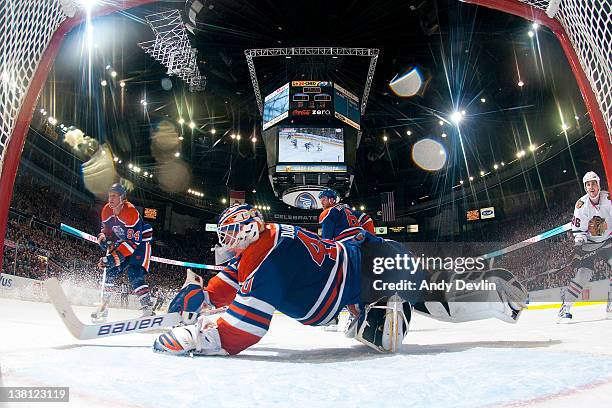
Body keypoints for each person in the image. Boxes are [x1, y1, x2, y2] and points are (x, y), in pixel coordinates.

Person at [152, 203, 527, 356]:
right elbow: (229, 282)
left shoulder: (265, 258)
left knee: (386, 328)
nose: (228, 243)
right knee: (427, 298)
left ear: (249, 229)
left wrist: (195, 335)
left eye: (232, 234)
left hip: (370, 271)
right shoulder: (267, 242)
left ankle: (380, 318)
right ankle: (492, 295)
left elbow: (242, 330)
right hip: (371, 266)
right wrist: (202, 295)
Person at [91, 183, 154, 322]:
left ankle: (148, 308)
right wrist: (103, 239)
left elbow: (133, 243)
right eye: (109, 196)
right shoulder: (106, 210)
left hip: (140, 244)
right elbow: (106, 231)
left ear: (122, 198)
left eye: (114, 196)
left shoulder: (130, 212)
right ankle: (103, 308)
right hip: (125, 242)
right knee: (110, 272)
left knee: (134, 273)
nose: (110, 199)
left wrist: (113, 258)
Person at [558, 171, 612, 322]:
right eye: (588, 184)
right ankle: (565, 308)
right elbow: (579, 231)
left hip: (608, 240)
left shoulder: (609, 198)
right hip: (589, 243)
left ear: (598, 185)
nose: (591, 187)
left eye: (594, 183)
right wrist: (578, 247)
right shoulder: (581, 205)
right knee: (584, 274)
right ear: (585, 187)